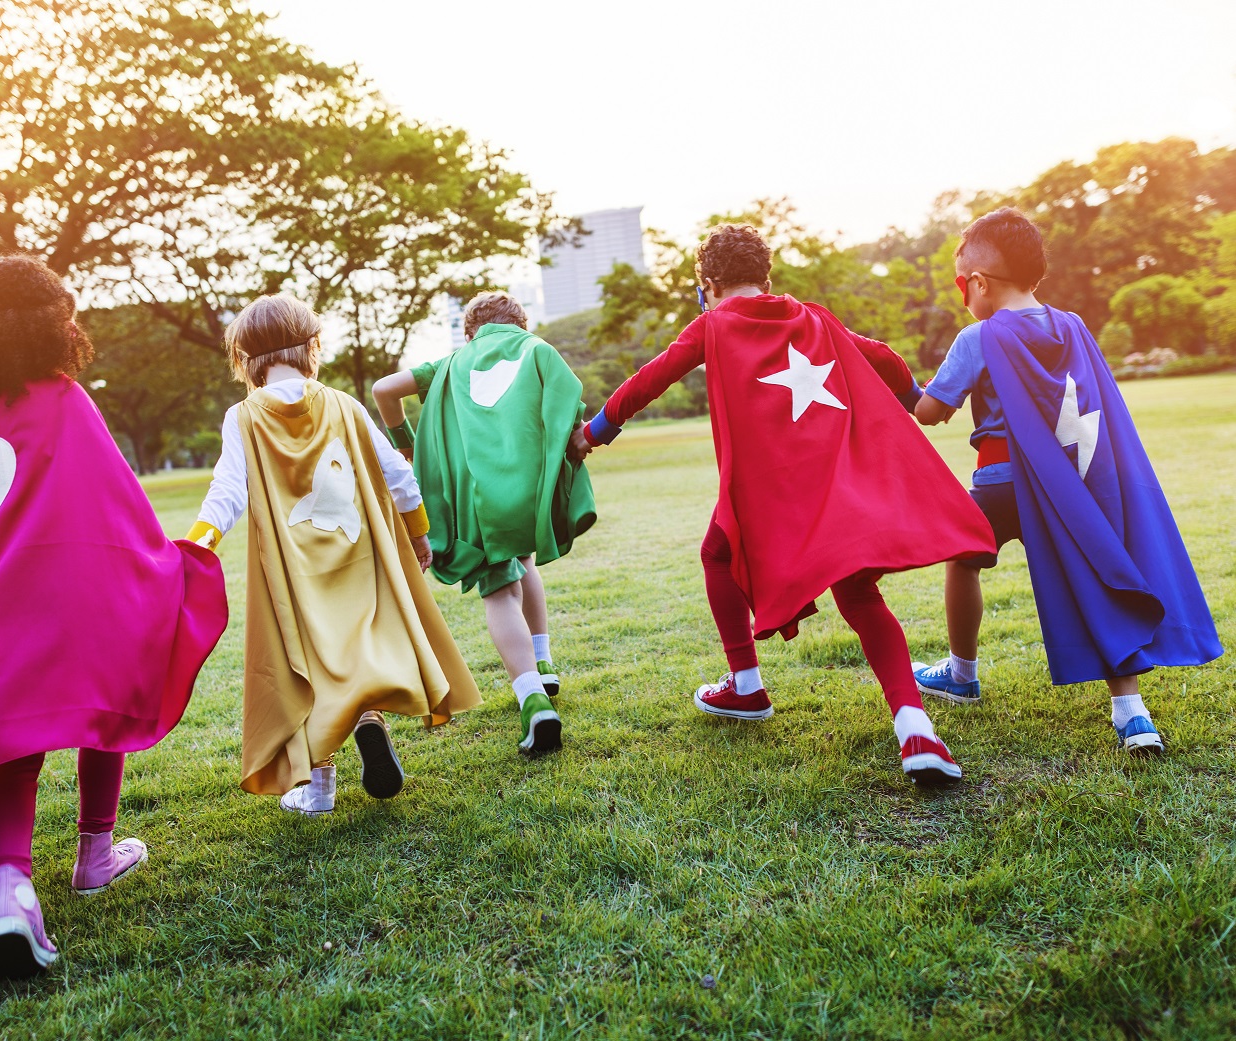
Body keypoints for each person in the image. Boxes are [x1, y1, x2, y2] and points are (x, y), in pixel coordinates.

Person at [0, 256, 229, 980]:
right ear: (45, 326)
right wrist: (165, 563)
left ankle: (12, 889)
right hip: (57, 600)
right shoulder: (60, 397)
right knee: (107, 687)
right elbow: (112, 504)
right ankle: (95, 854)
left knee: (16, 749)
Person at [571, 223, 995, 785]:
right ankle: (916, 730)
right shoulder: (814, 316)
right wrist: (915, 398)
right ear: (766, 277)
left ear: (710, 284)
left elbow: (650, 380)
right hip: (836, 485)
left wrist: (593, 433)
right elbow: (884, 357)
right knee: (860, 595)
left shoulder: (712, 324)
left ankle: (746, 687)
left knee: (716, 555)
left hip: (772, 492)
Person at [912, 208, 1222, 752]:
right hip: (1073, 488)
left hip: (1002, 481)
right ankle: (1131, 711)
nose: (964, 295)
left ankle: (962, 674)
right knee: (1096, 576)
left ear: (979, 283)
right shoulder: (1074, 326)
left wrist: (892, 378)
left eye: (962, 285)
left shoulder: (979, 337)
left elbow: (931, 411)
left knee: (963, 557)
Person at [189, 293, 480, 815]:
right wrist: (417, 534)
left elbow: (227, 492)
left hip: (292, 569)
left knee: (308, 665)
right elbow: (398, 474)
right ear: (312, 347)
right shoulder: (343, 404)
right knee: (358, 644)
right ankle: (369, 721)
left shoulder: (243, 417)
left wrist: (198, 543)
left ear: (245, 360)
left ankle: (319, 786)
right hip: (357, 552)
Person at [372, 291, 595, 756]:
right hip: (526, 487)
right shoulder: (536, 348)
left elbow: (383, 390)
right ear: (521, 322)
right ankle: (543, 660)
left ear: (469, 331)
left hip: (476, 495)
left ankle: (533, 701)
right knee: (525, 561)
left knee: (499, 592)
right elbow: (569, 399)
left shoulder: (451, 362)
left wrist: (407, 443)